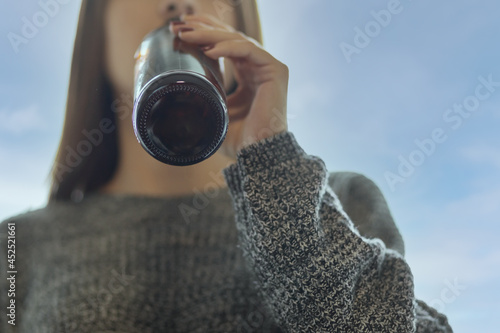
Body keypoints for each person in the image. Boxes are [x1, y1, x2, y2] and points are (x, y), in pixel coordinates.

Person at [0, 0, 453, 332]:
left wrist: (273, 170)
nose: (181, 3)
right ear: (94, 26)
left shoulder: (340, 201)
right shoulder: (19, 244)